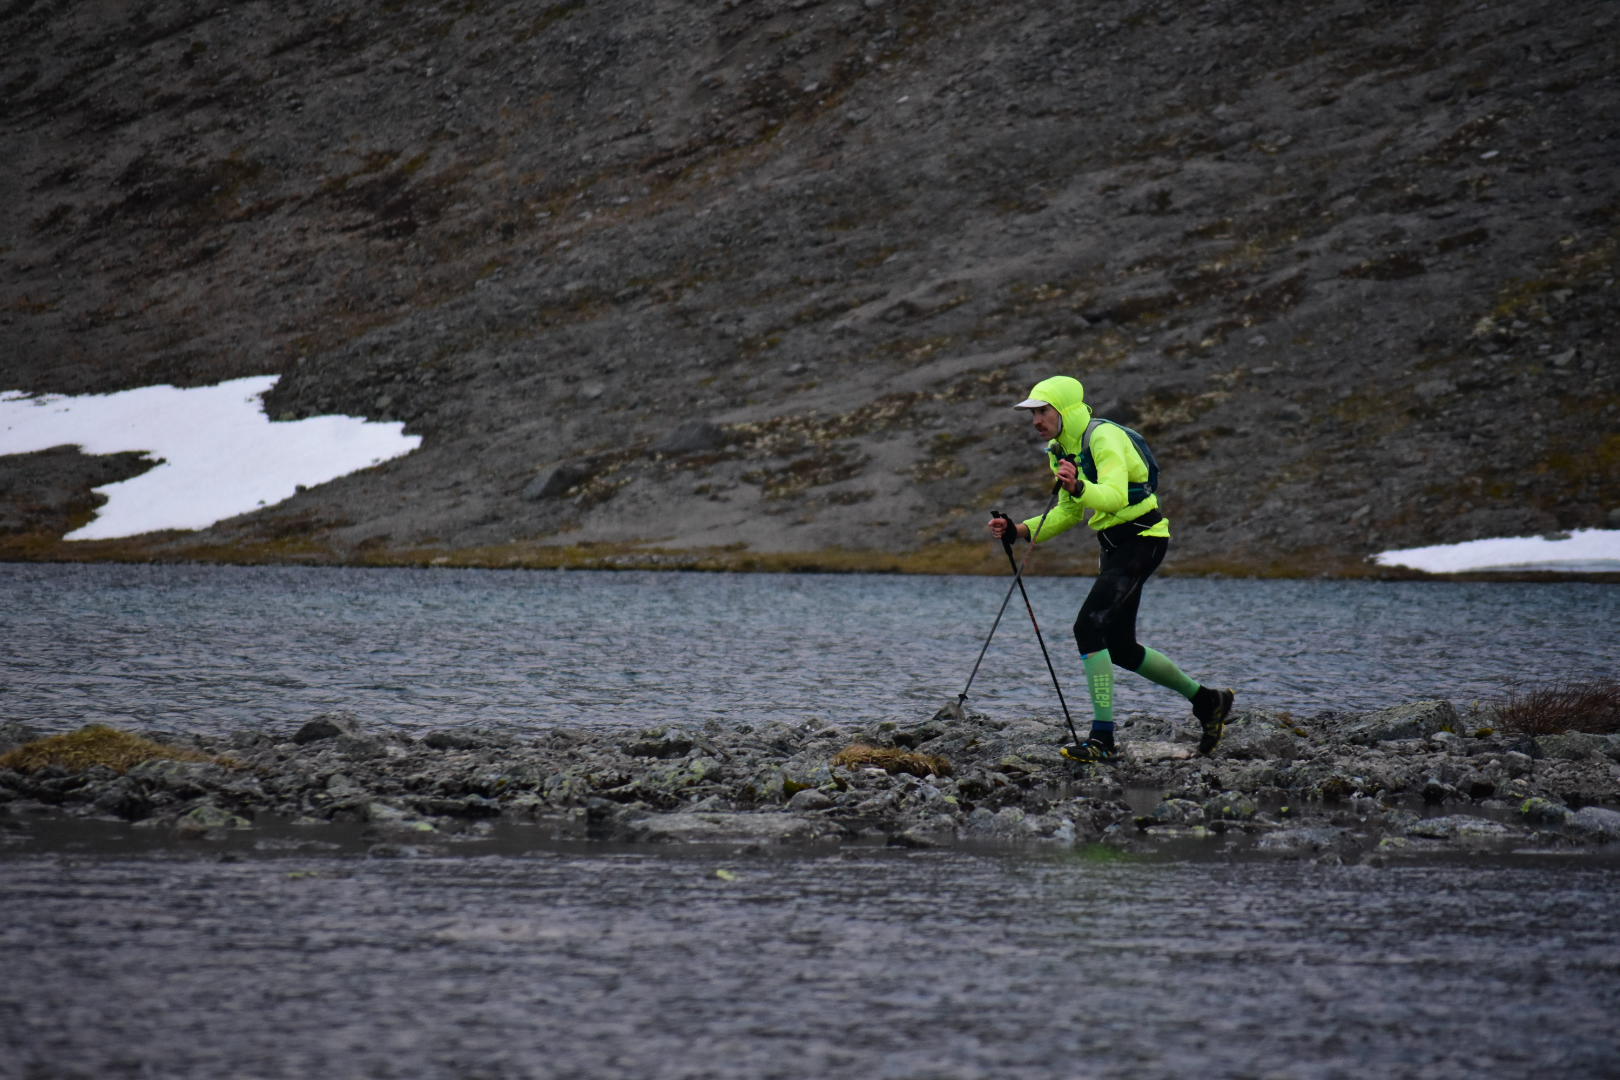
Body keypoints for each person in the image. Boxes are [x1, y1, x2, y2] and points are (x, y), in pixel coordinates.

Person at [987, 375, 1233, 762]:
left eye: (1042, 410)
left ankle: (1103, 738)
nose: (1036, 419)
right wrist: (1018, 530)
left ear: (1064, 410)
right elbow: (1068, 513)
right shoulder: (1059, 450)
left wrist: (1078, 488)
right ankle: (1208, 700)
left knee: (1088, 625)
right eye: (1032, 413)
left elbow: (1115, 498)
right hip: (1114, 546)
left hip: (1144, 539)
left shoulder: (1103, 438)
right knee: (1120, 648)